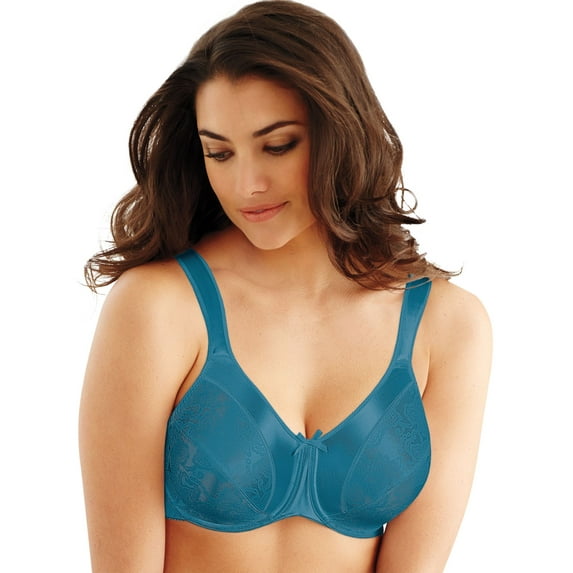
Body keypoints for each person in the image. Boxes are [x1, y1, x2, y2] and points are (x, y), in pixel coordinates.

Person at [79, 1, 492, 571]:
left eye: (277, 146)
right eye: (219, 152)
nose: (246, 183)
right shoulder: (158, 307)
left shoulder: (447, 326)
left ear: (341, 133)